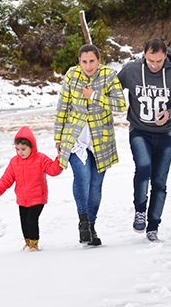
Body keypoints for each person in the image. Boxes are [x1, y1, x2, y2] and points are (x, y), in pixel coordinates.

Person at [118, 38, 171, 242]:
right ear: (144, 55)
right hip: (139, 130)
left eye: (159, 61)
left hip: (165, 134)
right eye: (150, 60)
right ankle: (140, 210)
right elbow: (112, 88)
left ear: (165, 56)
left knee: (160, 181)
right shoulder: (131, 70)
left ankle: (153, 226)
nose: (154, 65)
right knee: (143, 168)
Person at [54, 44, 126, 246]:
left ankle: (92, 226)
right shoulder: (71, 75)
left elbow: (121, 106)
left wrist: (95, 96)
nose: (88, 66)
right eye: (84, 61)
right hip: (75, 136)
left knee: (96, 184)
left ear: (99, 60)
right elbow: (62, 106)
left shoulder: (108, 75)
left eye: (92, 61)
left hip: (100, 138)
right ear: (79, 61)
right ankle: (83, 221)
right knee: (82, 177)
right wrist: (58, 138)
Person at [0, 126, 63, 251]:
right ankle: (28, 243)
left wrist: (60, 158)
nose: (20, 152)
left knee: (31, 220)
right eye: (17, 149)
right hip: (22, 199)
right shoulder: (14, 162)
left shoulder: (40, 159)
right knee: (24, 222)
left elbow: (53, 170)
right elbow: (7, 178)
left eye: (23, 149)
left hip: (37, 198)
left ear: (32, 147)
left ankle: (34, 244)